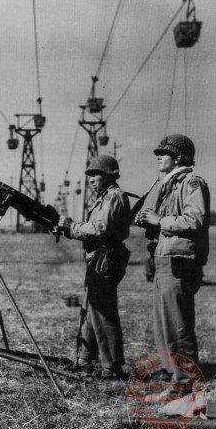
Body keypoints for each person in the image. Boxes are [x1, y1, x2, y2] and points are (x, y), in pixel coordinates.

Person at [135, 134, 210, 395]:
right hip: (163, 258)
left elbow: (195, 220)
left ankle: (187, 383)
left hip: (179, 261)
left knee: (178, 325)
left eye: (163, 153)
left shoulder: (192, 183)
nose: (158, 156)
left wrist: (159, 221)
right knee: (164, 324)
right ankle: (174, 377)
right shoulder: (166, 184)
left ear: (179, 157)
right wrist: (148, 220)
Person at [58, 155, 131, 379]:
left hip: (105, 260)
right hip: (98, 259)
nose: (91, 180)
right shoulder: (104, 197)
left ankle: (111, 367)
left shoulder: (113, 197)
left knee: (103, 311)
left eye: (95, 175)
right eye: (89, 176)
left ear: (109, 176)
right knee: (91, 311)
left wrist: (72, 227)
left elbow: (99, 228)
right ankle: (85, 361)